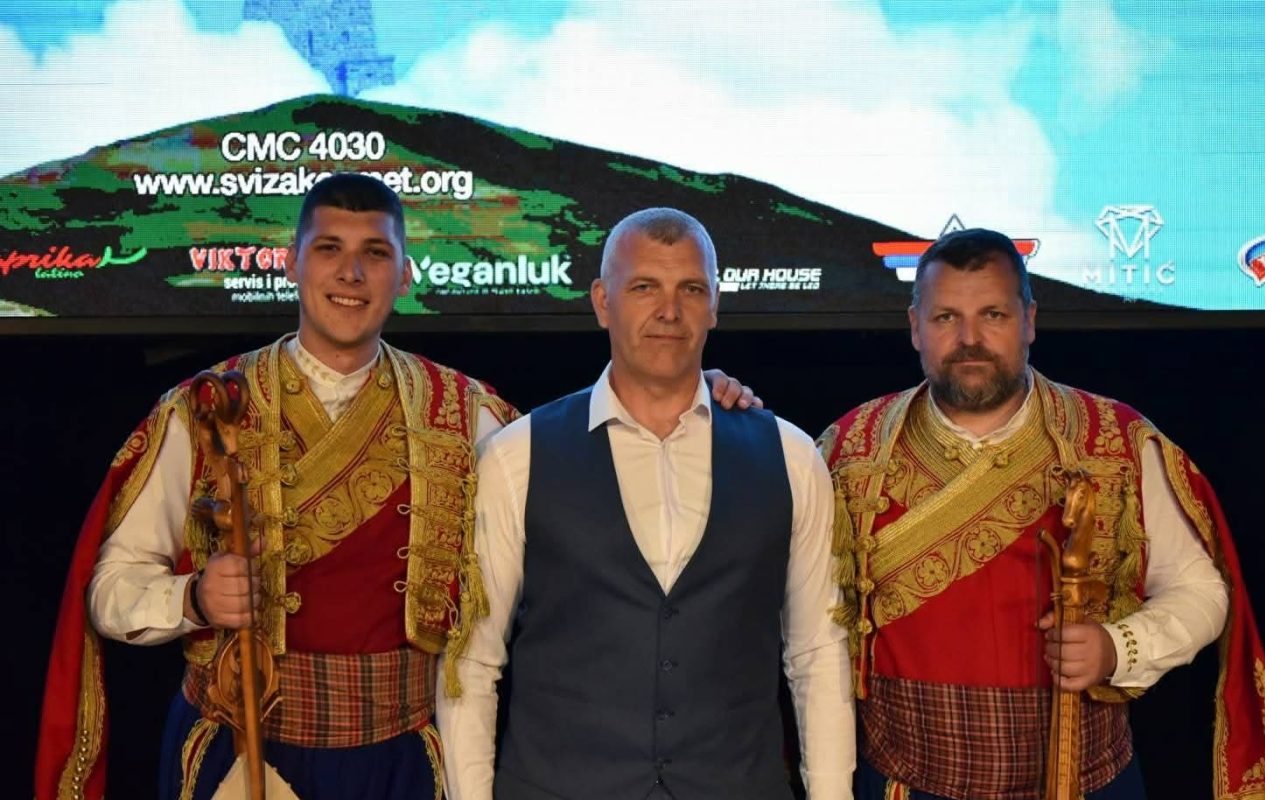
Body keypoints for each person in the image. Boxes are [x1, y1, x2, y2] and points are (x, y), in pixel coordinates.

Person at [35, 175, 757, 800]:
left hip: (404, 763)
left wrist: (689, 392)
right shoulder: (205, 408)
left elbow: (591, 478)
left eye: (375, 254)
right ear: (291, 263)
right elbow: (110, 591)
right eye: (330, 249)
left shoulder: (467, 412)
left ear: (405, 273)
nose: (352, 273)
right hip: (241, 751)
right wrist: (192, 598)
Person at [818, 228, 1265, 800]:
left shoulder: (1115, 442)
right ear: (915, 326)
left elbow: (1201, 591)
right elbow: (809, 630)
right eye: (946, 318)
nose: (970, 339)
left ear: (1030, 320)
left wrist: (1118, 647)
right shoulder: (851, 450)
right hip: (906, 785)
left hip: (1086, 784)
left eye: (993, 314)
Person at [444, 208, 856, 799]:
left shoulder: (791, 457)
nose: (669, 310)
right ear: (602, 301)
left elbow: (818, 653)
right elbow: (473, 661)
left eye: (691, 289)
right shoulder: (516, 456)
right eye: (644, 288)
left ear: (714, 304)